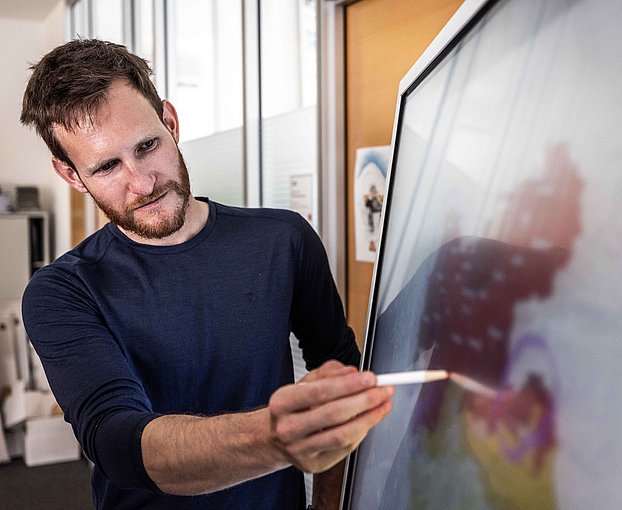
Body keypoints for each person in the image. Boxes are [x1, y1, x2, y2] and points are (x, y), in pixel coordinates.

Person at [19, 38, 394, 510]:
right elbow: (115, 439)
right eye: (107, 166)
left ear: (170, 124)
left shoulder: (284, 240)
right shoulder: (62, 292)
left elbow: (340, 374)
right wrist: (272, 438)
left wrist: (327, 504)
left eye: (148, 145)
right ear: (72, 175)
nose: (142, 182)